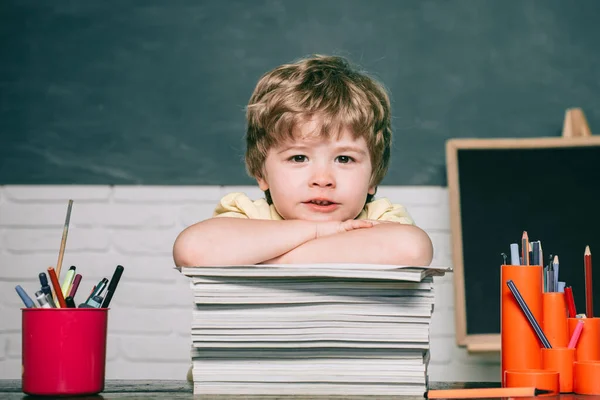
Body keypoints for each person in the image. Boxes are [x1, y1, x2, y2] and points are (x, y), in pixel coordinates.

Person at [173, 55, 433, 267]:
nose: (322, 179)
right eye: (299, 157)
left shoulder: (377, 218)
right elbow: (193, 251)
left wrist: (270, 261)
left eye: (344, 158)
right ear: (261, 172)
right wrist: (318, 232)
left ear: (373, 177)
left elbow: (412, 250)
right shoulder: (249, 216)